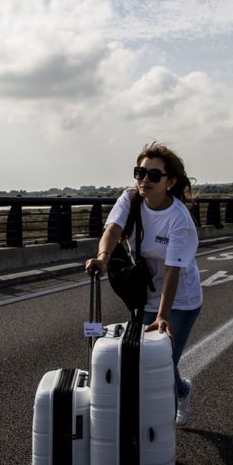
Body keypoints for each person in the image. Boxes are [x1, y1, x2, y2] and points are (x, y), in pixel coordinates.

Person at [85, 142, 202, 427]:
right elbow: (113, 229)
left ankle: (174, 406)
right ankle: (180, 390)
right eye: (140, 173)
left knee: (161, 364)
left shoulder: (178, 219)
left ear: (170, 181)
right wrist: (103, 257)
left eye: (153, 175)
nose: (144, 180)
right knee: (147, 360)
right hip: (148, 293)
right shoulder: (130, 198)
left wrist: (163, 316)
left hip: (181, 300)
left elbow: (172, 270)